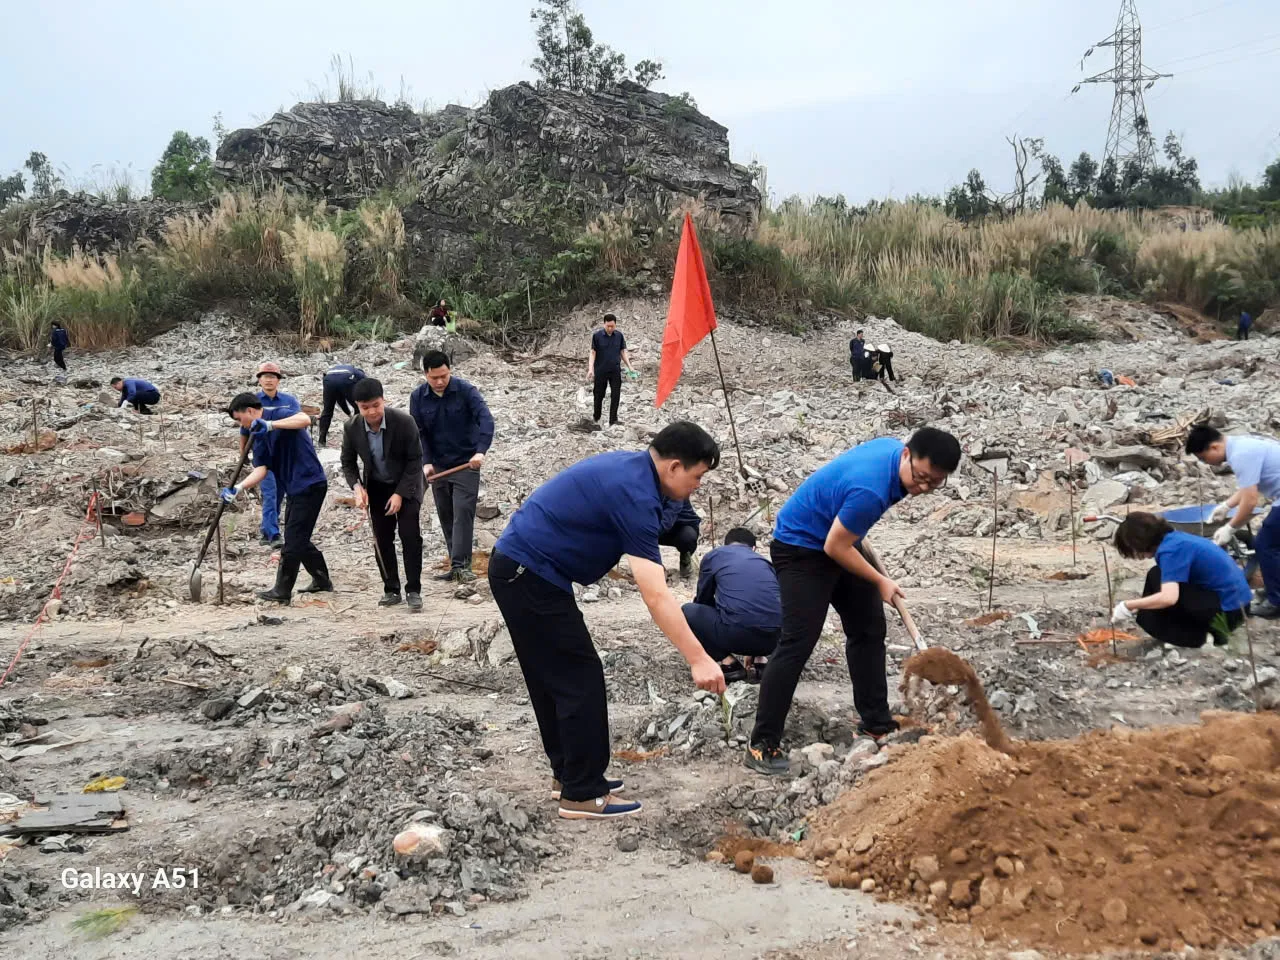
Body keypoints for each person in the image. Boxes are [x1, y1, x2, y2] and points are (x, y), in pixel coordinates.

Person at [487, 421, 727, 820]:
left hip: (524, 568)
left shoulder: (637, 474)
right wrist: (698, 657)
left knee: (554, 678)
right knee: (578, 677)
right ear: (673, 467)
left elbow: (677, 525)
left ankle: (570, 775)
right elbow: (654, 593)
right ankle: (583, 793)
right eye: (697, 477)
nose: (698, 486)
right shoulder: (634, 494)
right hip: (528, 573)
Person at [745, 427, 961, 776]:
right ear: (907, 454)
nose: (922, 487)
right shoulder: (870, 490)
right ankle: (762, 745)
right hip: (801, 547)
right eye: (920, 477)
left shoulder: (894, 456)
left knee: (868, 628)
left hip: (837, 536)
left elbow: (843, 537)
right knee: (797, 643)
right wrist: (879, 580)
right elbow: (835, 547)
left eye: (934, 483)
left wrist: (865, 559)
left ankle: (875, 722)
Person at [222, 394, 331, 603]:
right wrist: (238, 487)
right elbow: (261, 469)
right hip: (294, 488)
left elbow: (305, 420)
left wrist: (271, 425)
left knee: (292, 539)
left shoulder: (278, 414)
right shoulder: (258, 436)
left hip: (311, 483)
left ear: (251, 411)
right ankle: (321, 579)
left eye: (239, 419)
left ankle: (282, 591)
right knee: (297, 536)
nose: (239, 425)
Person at [409, 350, 494, 584]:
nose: (439, 381)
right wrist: (426, 463)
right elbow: (419, 433)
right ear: (425, 374)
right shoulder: (417, 398)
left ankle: (461, 566)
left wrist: (480, 451)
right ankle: (454, 564)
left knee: (462, 515)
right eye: (434, 377)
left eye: (444, 376)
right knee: (446, 515)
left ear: (450, 371)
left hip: (467, 463)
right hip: (438, 467)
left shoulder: (466, 391)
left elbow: (486, 419)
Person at [341, 378, 425, 611]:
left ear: (383, 400)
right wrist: (357, 488)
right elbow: (347, 462)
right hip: (376, 487)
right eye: (365, 407)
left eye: (376, 405)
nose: (372, 412)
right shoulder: (352, 427)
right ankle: (391, 589)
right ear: (358, 406)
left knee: (410, 536)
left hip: (407, 485)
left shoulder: (404, 422)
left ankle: (414, 590)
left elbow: (415, 460)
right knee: (382, 539)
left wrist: (399, 494)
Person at [1112, 512, 1252, 648]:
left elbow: (1169, 598)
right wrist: (1140, 606)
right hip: (1239, 604)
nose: (1138, 556)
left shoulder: (1170, 550)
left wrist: (1128, 605)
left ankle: (1198, 638)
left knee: (1159, 582)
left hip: (1229, 613)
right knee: (1156, 575)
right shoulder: (1175, 539)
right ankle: (1191, 633)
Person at [1186, 424, 1280, 618]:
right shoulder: (1241, 446)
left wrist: (1231, 527)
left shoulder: (1240, 455)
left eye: (1204, 458)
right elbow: (1248, 487)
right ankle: (1274, 588)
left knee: (1266, 544)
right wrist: (1226, 506)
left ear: (1213, 447)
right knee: (1272, 543)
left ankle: (1276, 602)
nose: (1207, 464)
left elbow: (1251, 501)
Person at [683, 527, 782, 684]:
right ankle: (760, 662)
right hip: (774, 641)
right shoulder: (765, 563)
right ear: (753, 548)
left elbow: (703, 599)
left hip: (736, 636)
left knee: (688, 611)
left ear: (726, 545)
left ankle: (729, 664)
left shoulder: (716, 555)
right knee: (760, 607)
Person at [240, 362, 299, 548]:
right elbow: (244, 431)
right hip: (263, 458)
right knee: (270, 493)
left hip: (285, 456)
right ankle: (273, 535)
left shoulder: (289, 401)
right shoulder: (252, 403)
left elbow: (298, 424)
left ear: (278, 380)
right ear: (259, 380)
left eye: (272, 376)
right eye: (264, 376)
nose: (268, 380)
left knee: (280, 494)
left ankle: (266, 531)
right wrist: (243, 456)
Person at [587, 313, 635, 427]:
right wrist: (590, 369)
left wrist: (630, 366)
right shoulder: (597, 336)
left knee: (616, 394)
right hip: (601, 370)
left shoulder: (619, 336)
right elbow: (593, 352)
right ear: (604, 324)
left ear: (615, 325)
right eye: (608, 326)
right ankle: (596, 416)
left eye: (612, 326)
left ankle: (613, 419)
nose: (610, 328)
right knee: (598, 394)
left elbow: (623, 352)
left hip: (615, 370)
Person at [318, 362, 366, 447]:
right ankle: (356, 434)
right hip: (345, 378)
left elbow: (340, 399)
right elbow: (366, 387)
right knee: (358, 407)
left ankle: (321, 439)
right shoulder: (359, 374)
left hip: (328, 380)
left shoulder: (337, 368)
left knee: (327, 410)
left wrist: (348, 414)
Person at [659, 498, 701, 578]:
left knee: (687, 537)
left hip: (682, 527)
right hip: (660, 526)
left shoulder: (676, 490)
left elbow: (667, 520)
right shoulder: (646, 490)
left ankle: (685, 561)